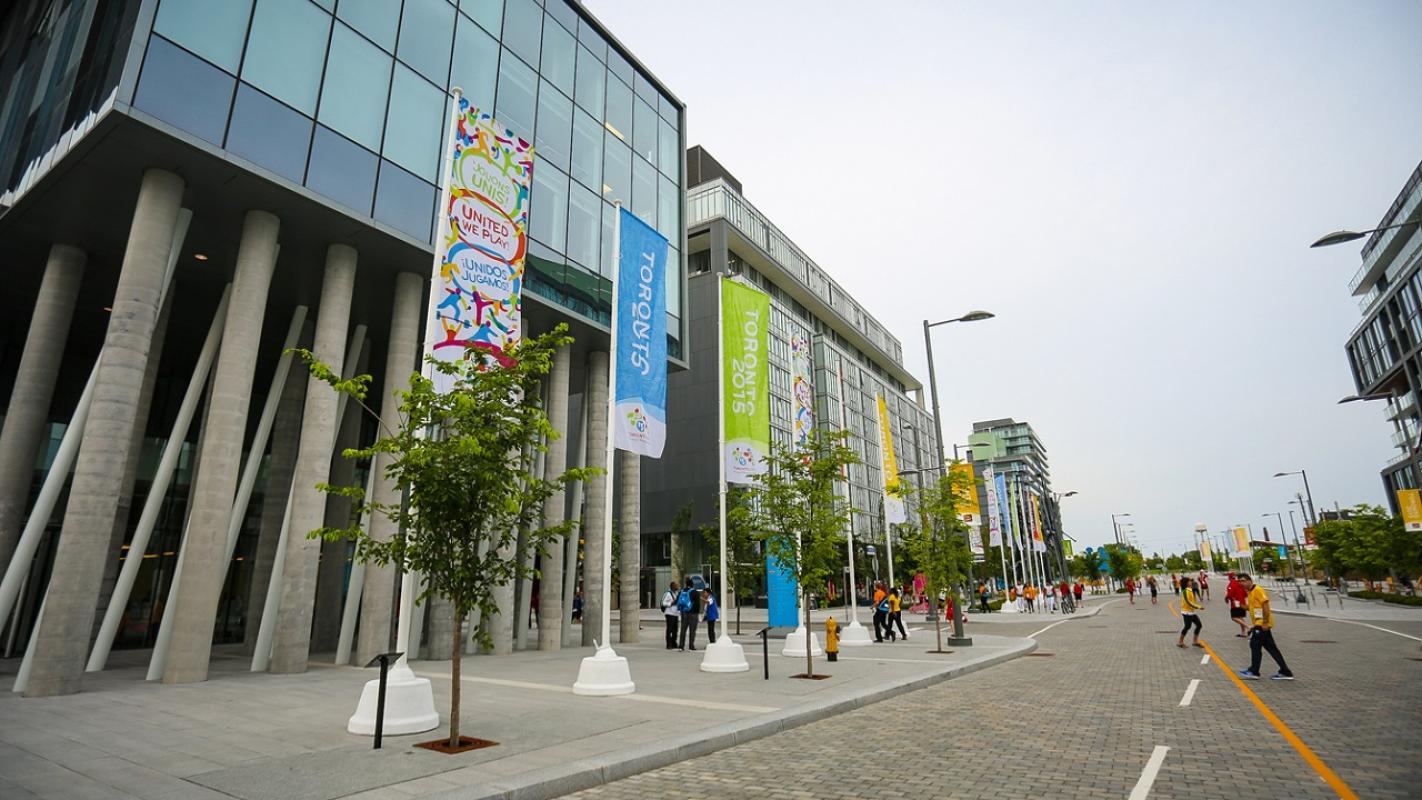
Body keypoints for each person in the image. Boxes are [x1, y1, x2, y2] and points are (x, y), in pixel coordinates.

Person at [1237, 573, 1294, 680]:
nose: (1241, 583)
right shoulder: (1250, 592)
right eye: (1239, 581)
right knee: (1272, 649)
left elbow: (1265, 605)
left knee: (1255, 645)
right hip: (1259, 624)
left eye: (1243, 580)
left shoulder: (1258, 590)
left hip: (1262, 624)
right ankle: (1285, 671)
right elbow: (1254, 607)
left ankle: (1254, 671)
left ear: (1250, 580)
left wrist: (1265, 622)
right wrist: (1243, 607)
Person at [1178, 576, 1203, 648]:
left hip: (1191, 612)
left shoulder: (1190, 590)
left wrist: (1195, 606)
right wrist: (1198, 607)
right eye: (1189, 581)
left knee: (1199, 625)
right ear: (1186, 583)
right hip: (1186, 612)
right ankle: (1180, 642)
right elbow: (1188, 602)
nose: (1191, 582)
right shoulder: (1185, 591)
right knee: (1187, 626)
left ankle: (1195, 641)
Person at [678, 577, 701, 651]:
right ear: (692, 585)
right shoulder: (695, 592)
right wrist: (698, 612)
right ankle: (691, 646)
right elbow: (697, 604)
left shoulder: (681, 591)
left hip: (684, 613)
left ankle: (681, 646)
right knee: (692, 630)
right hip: (693, 613)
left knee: (683, 630)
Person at [661, 581, 681, 649]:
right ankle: (668, 644)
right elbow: (663, 603)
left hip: (675, 614)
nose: (677, 587)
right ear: (672, 586)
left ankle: (674, 643)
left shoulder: (676, 593)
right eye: (676, 586)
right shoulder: (668, 594)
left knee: (675, 630)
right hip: (669, 613)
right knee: (669, 629)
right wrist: (671, 603)